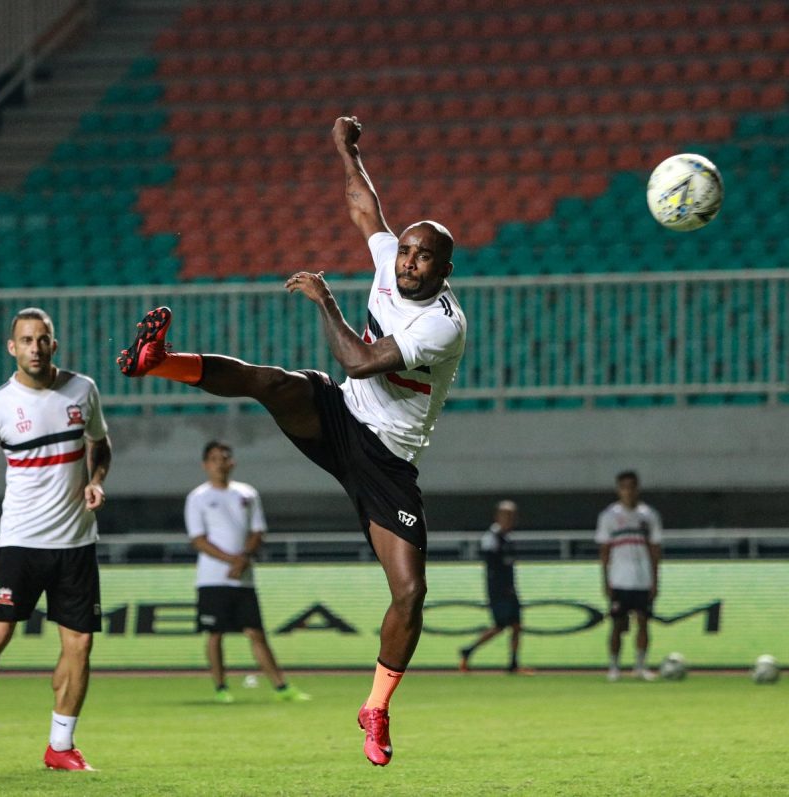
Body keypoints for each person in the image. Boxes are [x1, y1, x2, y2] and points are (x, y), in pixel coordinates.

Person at [116, 115, 466, 766]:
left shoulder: (445, 324)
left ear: (446, 267)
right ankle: (157, 361)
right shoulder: (392, 258)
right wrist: (347, 152)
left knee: (411, 594)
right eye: (408, 250)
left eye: (424, 256)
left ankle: (377, 707)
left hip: (386, 458)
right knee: (273, 383)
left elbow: (361, 359)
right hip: (343, 413)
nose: (409, 260)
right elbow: (367, 207)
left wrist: (326, 301)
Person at [0, 307, 111, 771]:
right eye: (26, 340)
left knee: (79, 647)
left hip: (77, 544)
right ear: (12, 347)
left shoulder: (83, 390)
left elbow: (100, 443)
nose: (35, 348)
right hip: (20, 543)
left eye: (42, 339)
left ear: (53, 344)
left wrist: (96, 478)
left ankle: (60, 747)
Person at [185, 440, 309, 704]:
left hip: (243, 579)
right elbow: (198, 539)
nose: (221, 463)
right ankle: (221, 688)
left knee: (255, 632)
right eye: (215, 458)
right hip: (212, 578)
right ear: (206, 464)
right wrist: (234, 560)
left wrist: (242, 561)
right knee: (215, 634)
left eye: (225, 457)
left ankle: (281, 686)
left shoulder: (247, 494)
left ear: (233, 462)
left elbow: (257, 531)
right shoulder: (198, 497)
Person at [595, 470, 662, 682]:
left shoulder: (648, 515)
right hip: (619, 579)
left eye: (632, 486)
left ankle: (640, 666)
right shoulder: (609, 516)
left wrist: (655, 580)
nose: (628, 491)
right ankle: (614, 667)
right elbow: (604, 551)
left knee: (643, 622)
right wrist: (605, 580)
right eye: (624, 487)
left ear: (637, 488)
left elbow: (655, 550)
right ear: (618, 490)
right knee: (617, 624)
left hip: (642, 579)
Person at [459, 500, 530, 675]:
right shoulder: (491, 538)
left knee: (516, 625)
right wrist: (502, 587)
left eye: (513, 516)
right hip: (499, 590)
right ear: (498, 516)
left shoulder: (507, 537)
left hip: (509, 588)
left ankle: (513, 664)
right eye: (507, 515)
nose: (511, 519)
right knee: (500, 625)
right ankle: (469, 650)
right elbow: (493, 567)